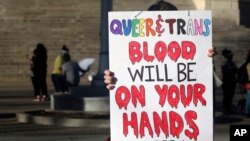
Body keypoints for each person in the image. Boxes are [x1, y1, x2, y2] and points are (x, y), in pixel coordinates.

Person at [221, 49, 238, 114]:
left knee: (230, 96)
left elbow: (236, 70)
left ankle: (229, 108)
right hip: (227, 82)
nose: (232, 55)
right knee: (226, 96)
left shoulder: (232, 63)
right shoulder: (224, 63)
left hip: (232, 82)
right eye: (230, 54)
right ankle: (226, 109)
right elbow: (226, 72)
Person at [238, 50, 250, 117]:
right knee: (249, 98)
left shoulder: (246, 64)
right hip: (248, 83)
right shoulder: (247, 64)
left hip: (247, 83)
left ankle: (247, 111)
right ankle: (247, 111)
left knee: (248, 98)